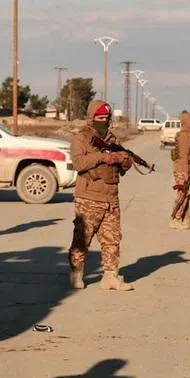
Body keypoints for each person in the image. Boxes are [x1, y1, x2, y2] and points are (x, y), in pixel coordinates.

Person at [68, 100, 134, 291]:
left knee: (112, 239)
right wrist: (104, 157)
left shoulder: (112, 140)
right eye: (100, 118)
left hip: (111, 198)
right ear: (91, 118)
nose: (103, 121)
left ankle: (111, 276)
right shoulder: (82, 139)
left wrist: (124, 159)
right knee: (82, 238)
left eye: (106, 118)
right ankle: (77, 273)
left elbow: (126, 165)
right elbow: (79, 163)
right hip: (89, 196)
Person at [170, 110, 190, 229]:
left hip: (186, 168)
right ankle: (175, 219)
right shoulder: (185, 135)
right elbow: (183, 155)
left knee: (187, 194)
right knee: (183, 194)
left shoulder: (188, 134)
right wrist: (186, 171)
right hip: (183, 168)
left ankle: (185, 219)